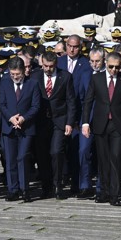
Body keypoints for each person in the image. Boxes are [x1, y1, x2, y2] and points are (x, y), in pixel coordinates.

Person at [82, 52, 121, 206]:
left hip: (118, 125)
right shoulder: (96, 78)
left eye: (117, 67)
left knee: (116, 158)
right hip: (100, 123)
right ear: (106, 64)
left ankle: (115, 194)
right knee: (103, 160)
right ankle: (103, 192)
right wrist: (85, 123)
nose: (113, 70)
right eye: (111, 66)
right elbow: (88, 101)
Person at [34, 52, 77, 199]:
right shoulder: (35, 77)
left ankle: (58, 184)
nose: (48, 69)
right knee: (42, 154)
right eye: (45, 66)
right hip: (40, 122)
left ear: (56, 64)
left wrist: (70, 123)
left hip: (59, 120)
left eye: (51, 66)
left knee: (56, 152)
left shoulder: (65, 77)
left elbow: (71, 101)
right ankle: (46, 186)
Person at [0, 57, 40, 201]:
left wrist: (23, 118)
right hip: (9, 127)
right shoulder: (4, 83)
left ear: (24, 71)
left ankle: (25, 189)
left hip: (26, 128)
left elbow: (35, 106)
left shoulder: (33, 84)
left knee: (22, 157)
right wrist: (11, 118)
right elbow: (2, 104)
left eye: (18, 74)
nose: (15, 77)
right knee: (10, 159)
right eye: (12, 74)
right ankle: (13, 189)